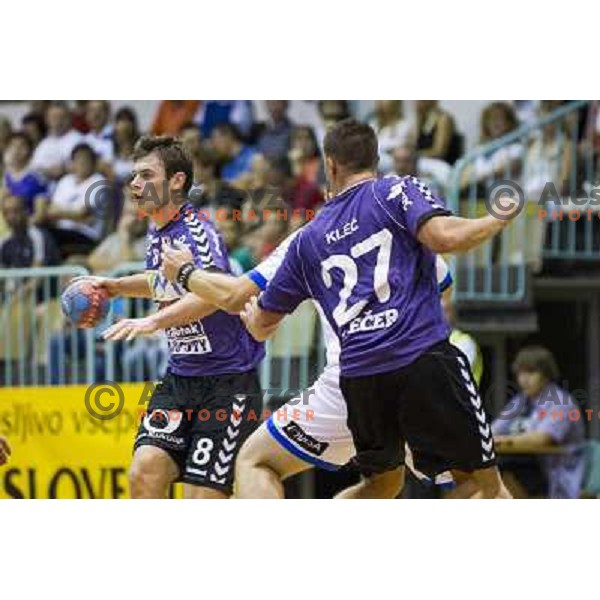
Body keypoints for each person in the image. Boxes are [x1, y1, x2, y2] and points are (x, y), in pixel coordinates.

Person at [241, 119, 519, 498]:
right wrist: (498, 217)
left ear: (330, 165)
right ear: (375, 158)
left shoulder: (307, 238)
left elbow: (261, 325)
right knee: (486, 488)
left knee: (381, 485)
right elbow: (445, 239)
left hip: (359, 379)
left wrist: (250, 317)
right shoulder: (395, 191)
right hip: (419, 359)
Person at [109, 229, 456, 498]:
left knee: (257, 461)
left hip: (349, 381)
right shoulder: (398, 216)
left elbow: (241, 303)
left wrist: (183, 275)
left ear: (332, 170)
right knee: (453, 484)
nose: (138, 185)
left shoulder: (310, 236)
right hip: (418, 369)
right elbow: (445, 284)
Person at [84, 135, 264, 499]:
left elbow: (213, 295)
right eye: (134, 175)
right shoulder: (157, 229)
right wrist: (116, 286)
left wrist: (153, 322)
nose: (135, 184)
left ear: (177, 181)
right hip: (180, 379)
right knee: (144, 471)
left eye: (146, 175)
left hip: (228, 384)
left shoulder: (197, 232)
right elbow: (162, 281)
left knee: (203, 498)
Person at [491, 346, 585, 499]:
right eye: (521, 372)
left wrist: (502, 441)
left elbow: (541, 439)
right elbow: (494, 430)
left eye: (531, 372)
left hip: (556, 474)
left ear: (546, 375)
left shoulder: (561, 402)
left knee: (503, 467)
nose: (524, 379)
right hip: (527, 466)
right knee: (487, 466)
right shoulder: (520, 401)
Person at [45, 143, 108, 258]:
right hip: (63, 232)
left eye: (86, 160)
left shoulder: (98, 181)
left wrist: (60, 213)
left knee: (48, 235)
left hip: (87, 235)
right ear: (72, 163)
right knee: (41, 232)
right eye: (78, 160)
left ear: (93, 163)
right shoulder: (65, 181)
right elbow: (50, 211)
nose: (82, 163)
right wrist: (74, 214)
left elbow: (82, 213)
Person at [0, 194, 60, 268]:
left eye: (15, 211)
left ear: (25, 211)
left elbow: (37, 271)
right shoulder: (3, 241)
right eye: (6, 213)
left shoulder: (39, 237)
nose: (11, 216)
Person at [31, 101, 83, 183]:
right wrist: (47, 171)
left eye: (62, 117)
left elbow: (84, 165)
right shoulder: (44, 143)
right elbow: (34, 168)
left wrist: (64, 170)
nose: (58, 122)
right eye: (54, 118)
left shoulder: (79, 139)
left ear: (70, 118)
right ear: (47, 120)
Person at [2, 131, 48, 223]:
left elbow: (40, 215)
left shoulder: (36, 177)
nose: (16, 150)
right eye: (13, 146)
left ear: (30, 151)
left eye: (22, 146)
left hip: (28, 225)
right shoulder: (7, 176)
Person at [441, 288, 483, 385]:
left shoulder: (465, 342)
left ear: (452, 314)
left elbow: (451, 373)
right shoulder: (427, 341)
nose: (441, 315)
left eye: (445, 311)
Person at [369, 100, 412, 172]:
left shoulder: (403, 125)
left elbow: (400, 150)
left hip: (391, 161)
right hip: (373, 159)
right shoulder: (373, 124)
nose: (380, 104)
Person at [415, 100, 462, 165]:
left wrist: (414, 155)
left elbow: (439, 152)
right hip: (426, 162)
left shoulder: (443, 119)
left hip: (442, 165)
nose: (416, 102)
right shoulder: (422, 120)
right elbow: (414, 145)